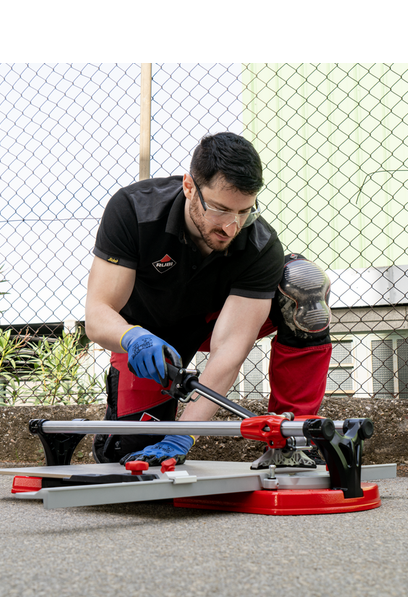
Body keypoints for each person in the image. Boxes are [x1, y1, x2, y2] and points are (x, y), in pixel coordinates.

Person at [84, 132, 332, 468]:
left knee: (303, 283)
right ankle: (121, 433)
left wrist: (184, 434)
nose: (231, 226)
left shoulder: (260, 245)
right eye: (220, 209)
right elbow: (98, 314)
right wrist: (133, 338)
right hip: (148, 338)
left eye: (244, 211)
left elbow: (230, 348)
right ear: (189, 187)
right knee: (127, 454)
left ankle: (294, 437)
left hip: (213, 325)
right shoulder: (133, 210)